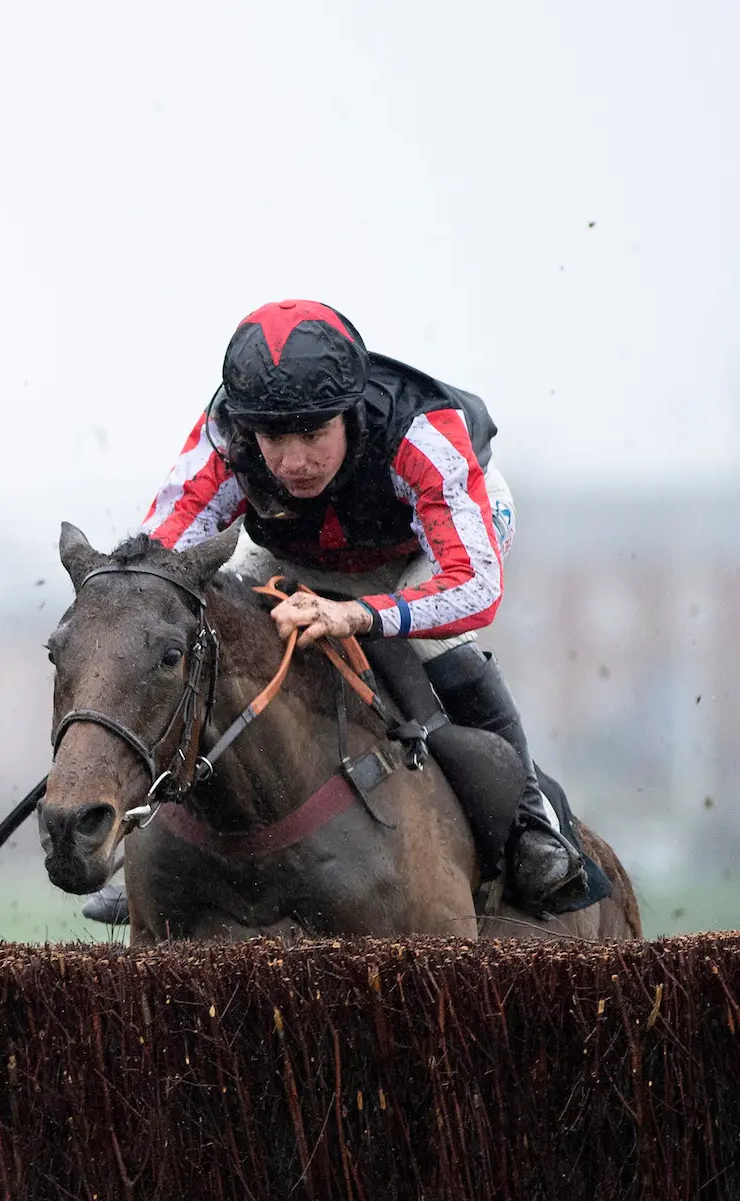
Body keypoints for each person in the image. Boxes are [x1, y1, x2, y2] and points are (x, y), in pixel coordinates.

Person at [85, 299, 587, 922]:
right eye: (274, 439)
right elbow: (161, 564)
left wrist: (360, 615)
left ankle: (534, 825)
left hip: (423, 550)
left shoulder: (422, 434)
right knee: (215, 632)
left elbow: (473, 586)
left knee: (437, 646)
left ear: (350, 414)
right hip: (305, 552)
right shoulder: (223, 440)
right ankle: (151, 837)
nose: (293, 462)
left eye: (312, 435)